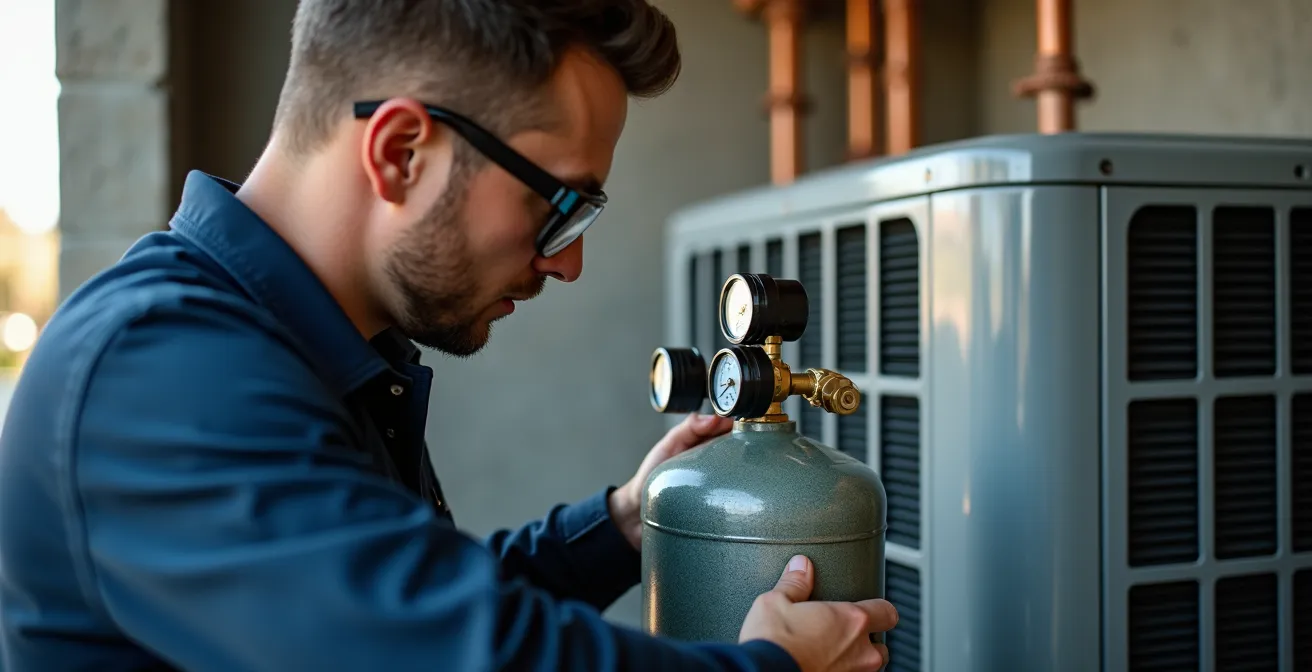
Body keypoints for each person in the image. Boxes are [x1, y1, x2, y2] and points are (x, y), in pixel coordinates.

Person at [0, 1, 898, 670]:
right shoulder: (158, 370)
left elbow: (408, 598)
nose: (567, 264)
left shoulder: (303, 348)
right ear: (400, 153)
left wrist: (622, 523)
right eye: (559, 209)